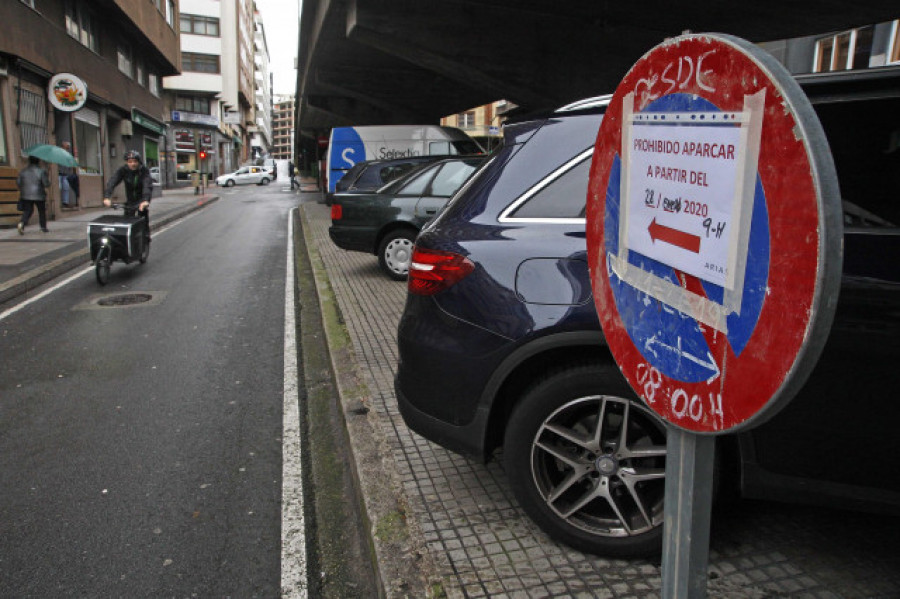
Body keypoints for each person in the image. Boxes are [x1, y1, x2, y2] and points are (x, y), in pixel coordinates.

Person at [103, 150, 153, 240]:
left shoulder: (144, 171)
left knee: (142, 215)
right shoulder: (123, 170)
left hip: (141, 200)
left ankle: (145, 235)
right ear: (127, 162)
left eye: (135, 161)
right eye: (130, 162)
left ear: (139, 162)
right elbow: (112, 182)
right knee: (126, 222)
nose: (132, 164)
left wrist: (145, 200)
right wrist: (107, 196)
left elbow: (147, 185)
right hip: (130, 201)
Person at [16, 156, 51, 234]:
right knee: (41, 211)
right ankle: (43, 227)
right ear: (38, 162)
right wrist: (47, 177)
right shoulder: (41, 171)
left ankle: (22, 223)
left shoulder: (23, 171)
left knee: (28, 210)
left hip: (26, 195)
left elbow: (18, 183)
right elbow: (46, 184)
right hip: (39, 194)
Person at [59, 141, 73, 208]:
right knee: (59, 187)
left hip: (65, 174)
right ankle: (59, 202)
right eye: (67, 145)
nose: (68, 147)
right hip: (59, 173)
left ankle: (65, 202)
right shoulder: (59, 153)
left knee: (66, 187)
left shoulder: (68, 154)